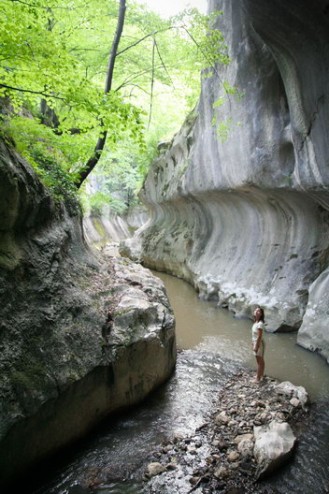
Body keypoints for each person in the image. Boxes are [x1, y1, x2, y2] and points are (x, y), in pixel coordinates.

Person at [251, 306, 265, 382]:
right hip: (255, 342)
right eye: (256, 310)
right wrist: (252, 343)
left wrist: (256, 346)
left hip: (259, 343)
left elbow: (260, 336)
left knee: (259, 361)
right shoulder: (255, 322)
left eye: (259, 311)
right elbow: (254, 335)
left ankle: (257, 379)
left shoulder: (260, 323)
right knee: (259, 360)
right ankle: (261, 375)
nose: (256, 312)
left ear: (261, 314)